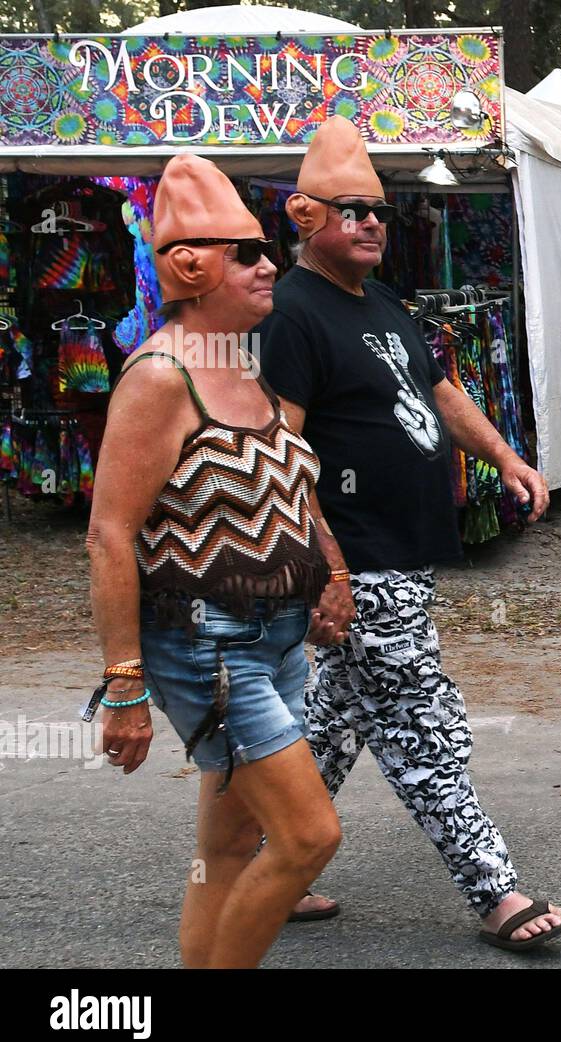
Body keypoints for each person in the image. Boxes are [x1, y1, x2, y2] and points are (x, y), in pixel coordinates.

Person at [255, 117, 561, 950]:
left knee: (333, 718)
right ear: (304, 215)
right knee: (420, 721)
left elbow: (441, 393)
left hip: (404, 554)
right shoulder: (291, 314)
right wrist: (327, 566)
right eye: (351, 209)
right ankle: (496, 891)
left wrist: (508, 457)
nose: (370, 222)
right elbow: (284, 454)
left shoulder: (383, 302)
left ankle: (268, 867)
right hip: (358, 562)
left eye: (379, 209)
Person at [85, 154, 344, 968]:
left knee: (228, 845)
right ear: (192, 265)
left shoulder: (242, 360)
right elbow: (109, 534)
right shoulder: (161, 377)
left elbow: (288, 489)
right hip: (209, 644)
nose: (270, 265)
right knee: (307, 837)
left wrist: (328, 573)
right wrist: (125, 686)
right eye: (248, 253)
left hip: (276, 638)